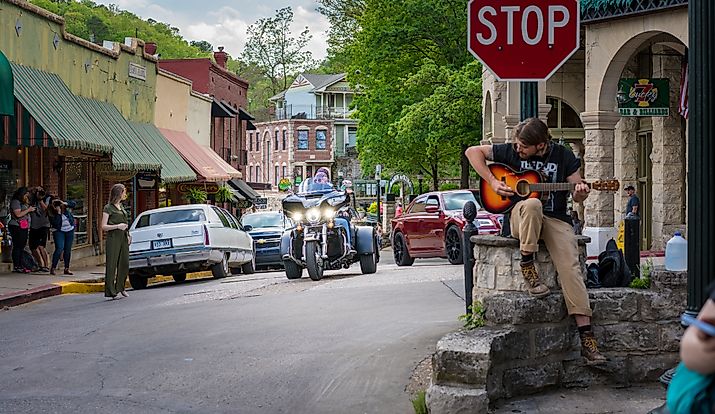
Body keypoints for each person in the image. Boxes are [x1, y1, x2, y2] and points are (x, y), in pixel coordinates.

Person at [465, 117, 606, 364]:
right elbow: (472, 152)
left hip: (555, 219)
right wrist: (493, 181)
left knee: (570, 268)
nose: (518, 150)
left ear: (540, 145)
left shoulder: (563, 156)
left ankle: (587, 338)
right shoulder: (510, 150)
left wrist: (580, 193)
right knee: (532, 203)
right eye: (517, 145)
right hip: (523, 217)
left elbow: (577, 191)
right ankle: (527, 262)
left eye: (523, 147)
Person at [102, 184, 130, 299]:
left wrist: (128, 235)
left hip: (123, 237)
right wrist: (117, 226)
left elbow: (125, 222)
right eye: (124, 192)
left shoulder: (121, 207)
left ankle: (121, 287)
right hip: (113, 238)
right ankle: (111, 291)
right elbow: (103, 226)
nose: (125, 194)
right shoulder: (108, 208)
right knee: (112, 264)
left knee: (124, 263)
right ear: (118, 193)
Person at [8, 187, 36, 273]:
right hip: (16, 225)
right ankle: (17, 265)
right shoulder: (15, 202)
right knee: (18, 246)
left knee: (21, 246)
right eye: (25, 194)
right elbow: (18, 214)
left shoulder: (23, 202)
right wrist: (28, 210)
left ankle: (21, 264)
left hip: (23, 225)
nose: (26, 196)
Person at [48, 197, 76, 275]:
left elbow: (74, 204)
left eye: (58, 203)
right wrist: (58, 213)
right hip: (58, 231)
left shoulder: (65, 207)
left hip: (69, 229)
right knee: (59, 248)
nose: (57, 205)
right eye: (55, 203)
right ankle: (53, 267)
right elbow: (55, 223)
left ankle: (66, 268)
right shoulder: (51, 211)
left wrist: (64, 203)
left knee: (68, 249)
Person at [29, 187, 51, 272]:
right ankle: (40, 264)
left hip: (43, 225)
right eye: (38, 191)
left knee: (41, 246)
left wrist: (41, 200)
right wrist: (34, 191)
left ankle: (46, 265)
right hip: (34, 225)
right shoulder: (32, 199)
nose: (39, 193)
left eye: (41, 191)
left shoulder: (47, 198)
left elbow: (46, 209)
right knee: (33, 247)